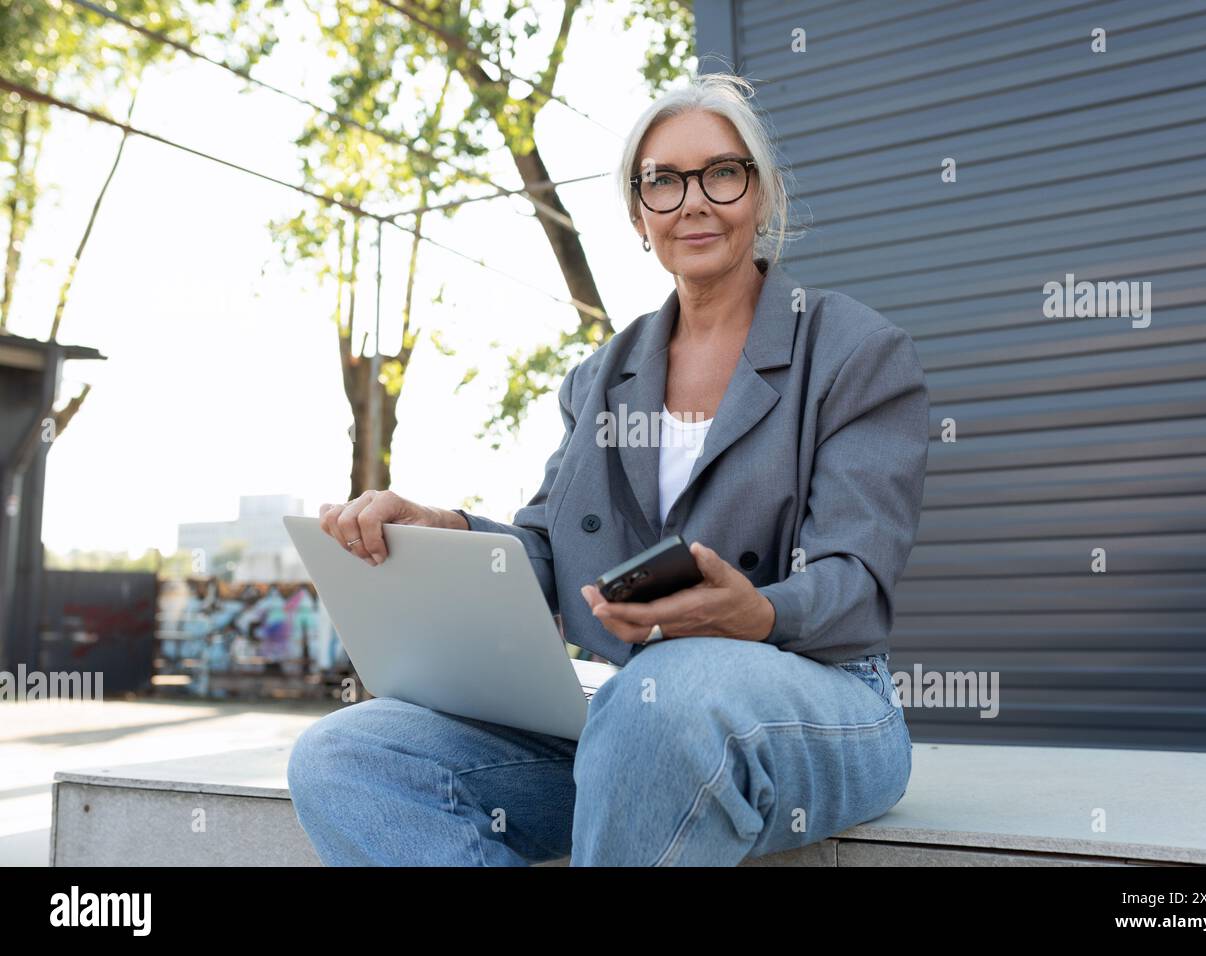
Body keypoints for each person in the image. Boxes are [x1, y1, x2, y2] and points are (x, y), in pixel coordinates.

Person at [288, 71, 930, 866]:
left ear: (759, 195)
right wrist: (447, 531)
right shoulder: (601, 378)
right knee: (346, 757)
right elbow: (547, 552)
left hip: (822, 700)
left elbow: (855, 583)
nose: (692, 201)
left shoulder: (855, 353)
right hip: (636, 714)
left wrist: (753, 614)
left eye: (721, 173)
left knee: (666, 699)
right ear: (638, 215)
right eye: (662, 182)